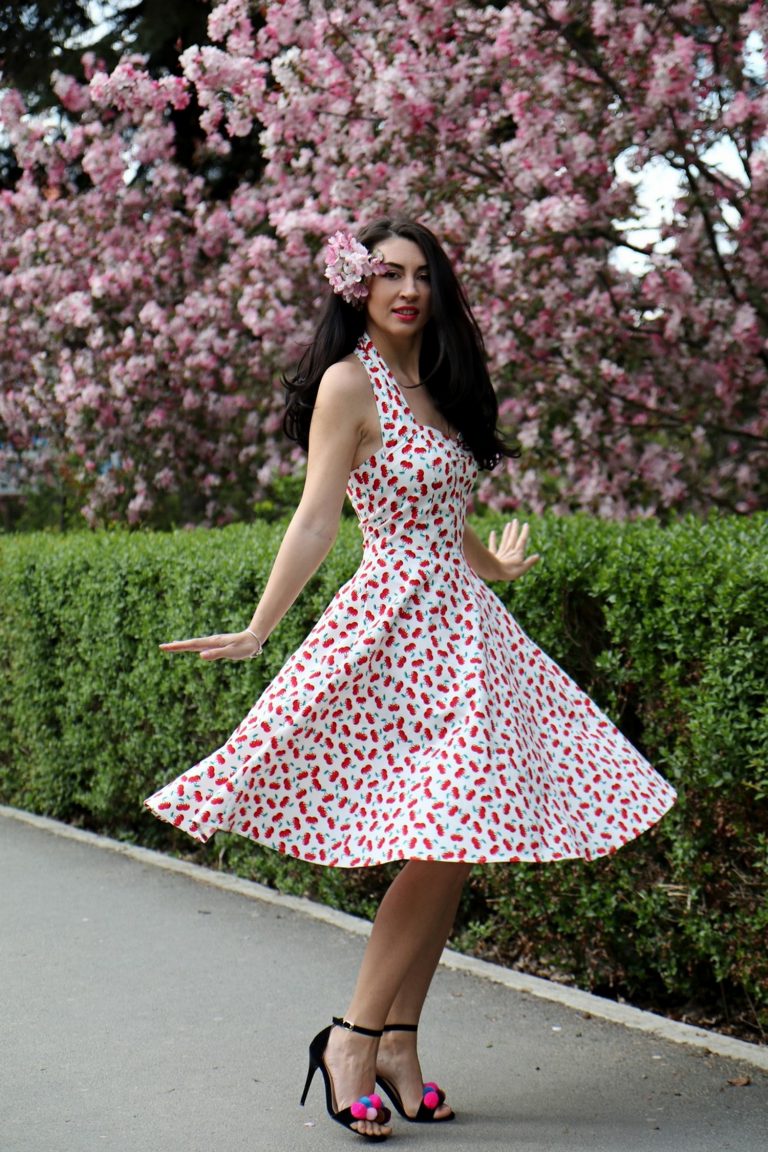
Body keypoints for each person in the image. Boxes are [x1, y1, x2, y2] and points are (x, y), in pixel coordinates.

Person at [145, 216, 677, 1142]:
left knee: (456, 839)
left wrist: (490, 564)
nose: (407, 290)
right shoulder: (350, 382)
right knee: (440, 835)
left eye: (423, 276)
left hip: (465, 631)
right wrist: (260, 628)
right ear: (357, 285)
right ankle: (351, 1038)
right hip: (394, 630)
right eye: (388, 273)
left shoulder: (442, 386)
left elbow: (440, 505)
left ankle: (398, 1041)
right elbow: (317, 519)